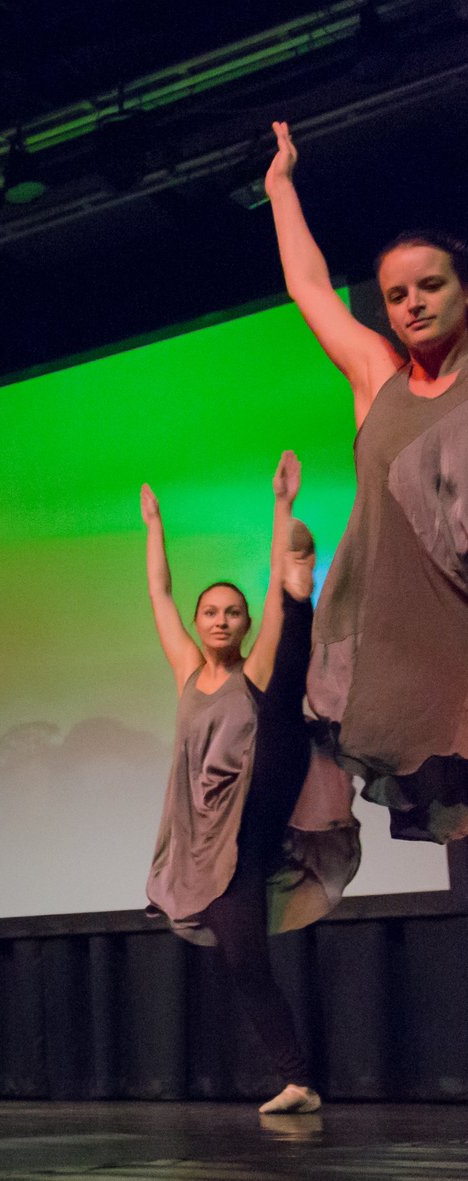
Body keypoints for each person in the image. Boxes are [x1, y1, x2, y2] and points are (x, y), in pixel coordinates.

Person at [265, 120, 468, 841]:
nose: (412, 303)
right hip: (406, 644)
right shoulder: (380, 378)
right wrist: (280, 188)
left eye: (431, 285)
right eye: (396, 294)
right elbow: (310, 287)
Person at [141, 452, 360, 1115]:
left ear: (242, 624)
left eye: (233, 613)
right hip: (213, 840)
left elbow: (265, 600)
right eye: (211, 611)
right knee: (244, 962)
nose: (221, 620)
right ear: (199, 621)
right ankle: (299, 1082)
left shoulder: (248, 666)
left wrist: (282, 506)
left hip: (262, 791)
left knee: (280, 690)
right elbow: (160, 595)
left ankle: (301, 592)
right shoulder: (186, 670)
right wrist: (154, 526)